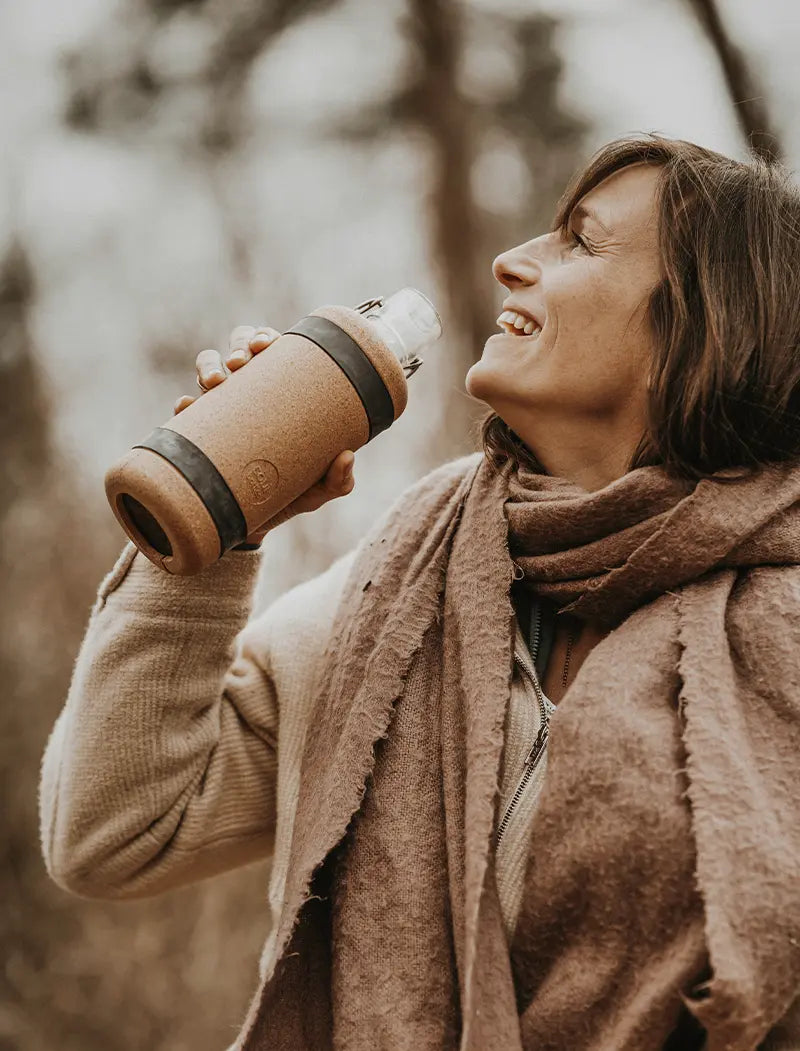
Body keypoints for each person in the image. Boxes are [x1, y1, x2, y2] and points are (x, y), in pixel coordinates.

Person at [39, 134, 800, 1050]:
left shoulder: (780, 635)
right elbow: (115, 834)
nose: (511, 261)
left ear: (705, 327)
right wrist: (214, 529)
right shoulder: (407, 580)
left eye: (580, 243)